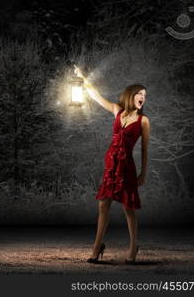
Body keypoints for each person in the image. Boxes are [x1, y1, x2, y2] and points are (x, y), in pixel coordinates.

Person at [74, 67, 151, 264]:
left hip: (127, 166)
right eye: (139, 93)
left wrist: (143, 173)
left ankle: (133, 247)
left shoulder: (144, 121)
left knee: (128, 208)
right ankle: (97, 246)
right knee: (103, 205)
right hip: (111, 164)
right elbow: (96, 96)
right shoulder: (118, 111)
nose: (142, 97)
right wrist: (83, 77)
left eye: (145, 95)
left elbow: (144, 149)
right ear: (130, 95)